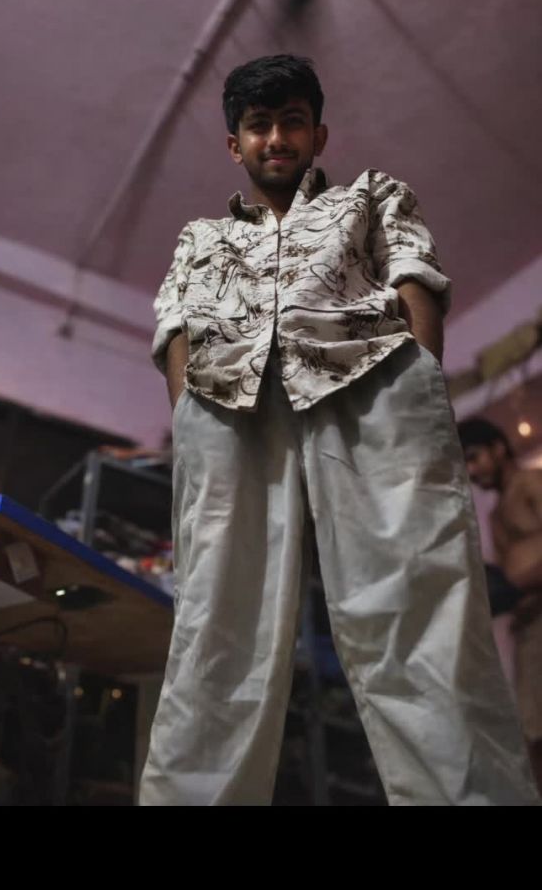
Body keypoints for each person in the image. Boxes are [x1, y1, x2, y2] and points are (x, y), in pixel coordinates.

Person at [139, 54, 538, 805]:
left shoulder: (373, 195)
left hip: (370, 388)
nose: (276, 138)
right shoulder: (200, 237)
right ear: (235, 144)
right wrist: (188, 413)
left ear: (318, 134)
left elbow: (416, 277)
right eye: (258, 125)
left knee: (418, 604)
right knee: (213, 628)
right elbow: (176, 324)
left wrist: (419, 379)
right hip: (226, 409)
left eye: (292, 122)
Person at [458, 416, 542, 796]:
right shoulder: (494, 514)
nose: (472, 471)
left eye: (475, 457)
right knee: (533, 738)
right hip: (528, 632)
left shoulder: (531, 483)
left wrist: (520, 584)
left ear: (498, 448)